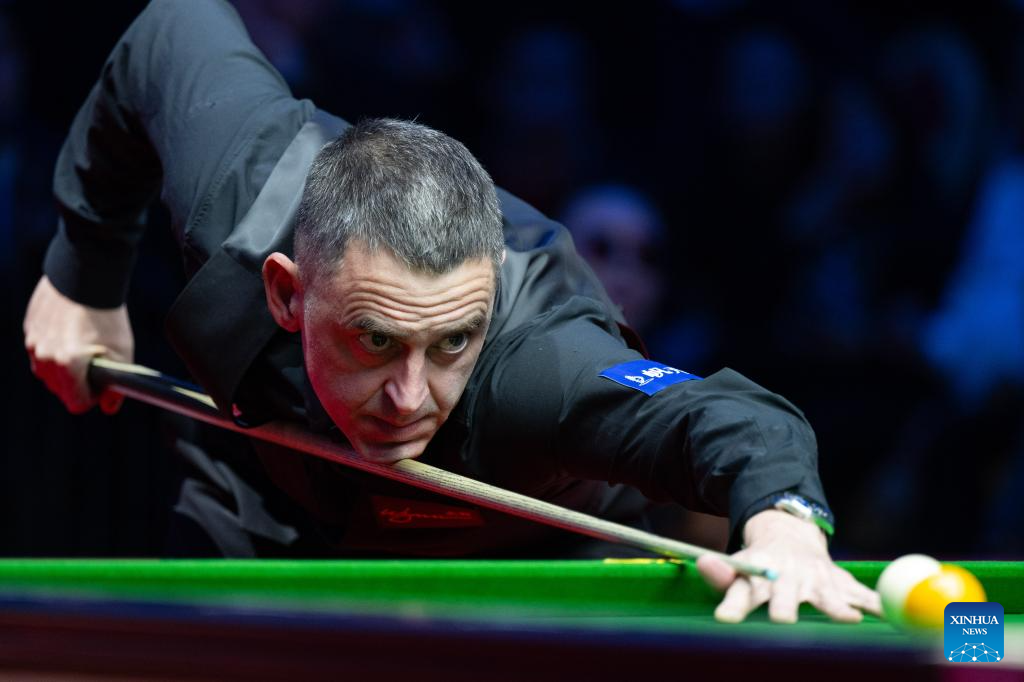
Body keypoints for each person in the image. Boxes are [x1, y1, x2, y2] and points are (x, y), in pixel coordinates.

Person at [23, 0, 878, 624]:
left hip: (528, 550)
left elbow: (727, 420)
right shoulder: (238, 193)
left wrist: (786, 524)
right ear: (286, 292)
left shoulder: (541, 368)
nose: (408, 398)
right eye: (374, 339)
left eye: (450, 343)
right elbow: (169, 29)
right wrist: (83, 279)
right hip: (265, 501)